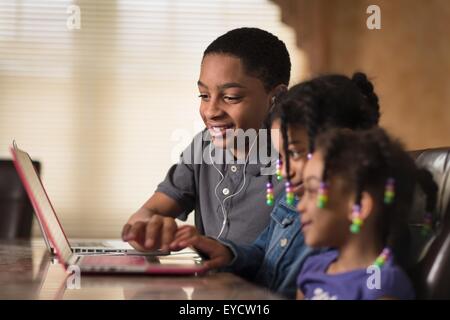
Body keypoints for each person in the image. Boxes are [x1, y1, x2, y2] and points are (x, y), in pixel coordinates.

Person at [169, 72, 382, 298]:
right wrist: (227, 253)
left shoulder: (348, 218)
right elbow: (263, 254)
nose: (284, 170)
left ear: (344, 146)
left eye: (295, 153)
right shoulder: (291, 200)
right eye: (281, 158)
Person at [122, 28, 291, 251]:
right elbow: (145, 215)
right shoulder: (203, 146)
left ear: (276, 98)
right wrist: (147, 230)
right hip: (208, 285)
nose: (211, 111)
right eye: (204, 96)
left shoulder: (295, 165)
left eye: (231, 97)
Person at [296, 127, 436, 300]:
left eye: (312, 190)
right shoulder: (314, 267)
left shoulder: (381, 286)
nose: (300, 206)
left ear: (359, 206)